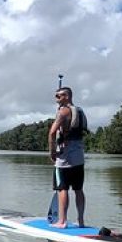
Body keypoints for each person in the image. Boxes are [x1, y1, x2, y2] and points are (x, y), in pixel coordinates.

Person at [47, 86, 88, 228]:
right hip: (79, 158)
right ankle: (81, 221)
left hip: (64, 158)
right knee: (78, 189)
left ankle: (62, 221)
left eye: (59, 96)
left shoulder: (63, 112)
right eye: (56, 96)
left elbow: (52, 133)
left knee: (62, 188)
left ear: (67, 96)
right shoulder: (80, 112)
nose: (56, 99)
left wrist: (52, 152)